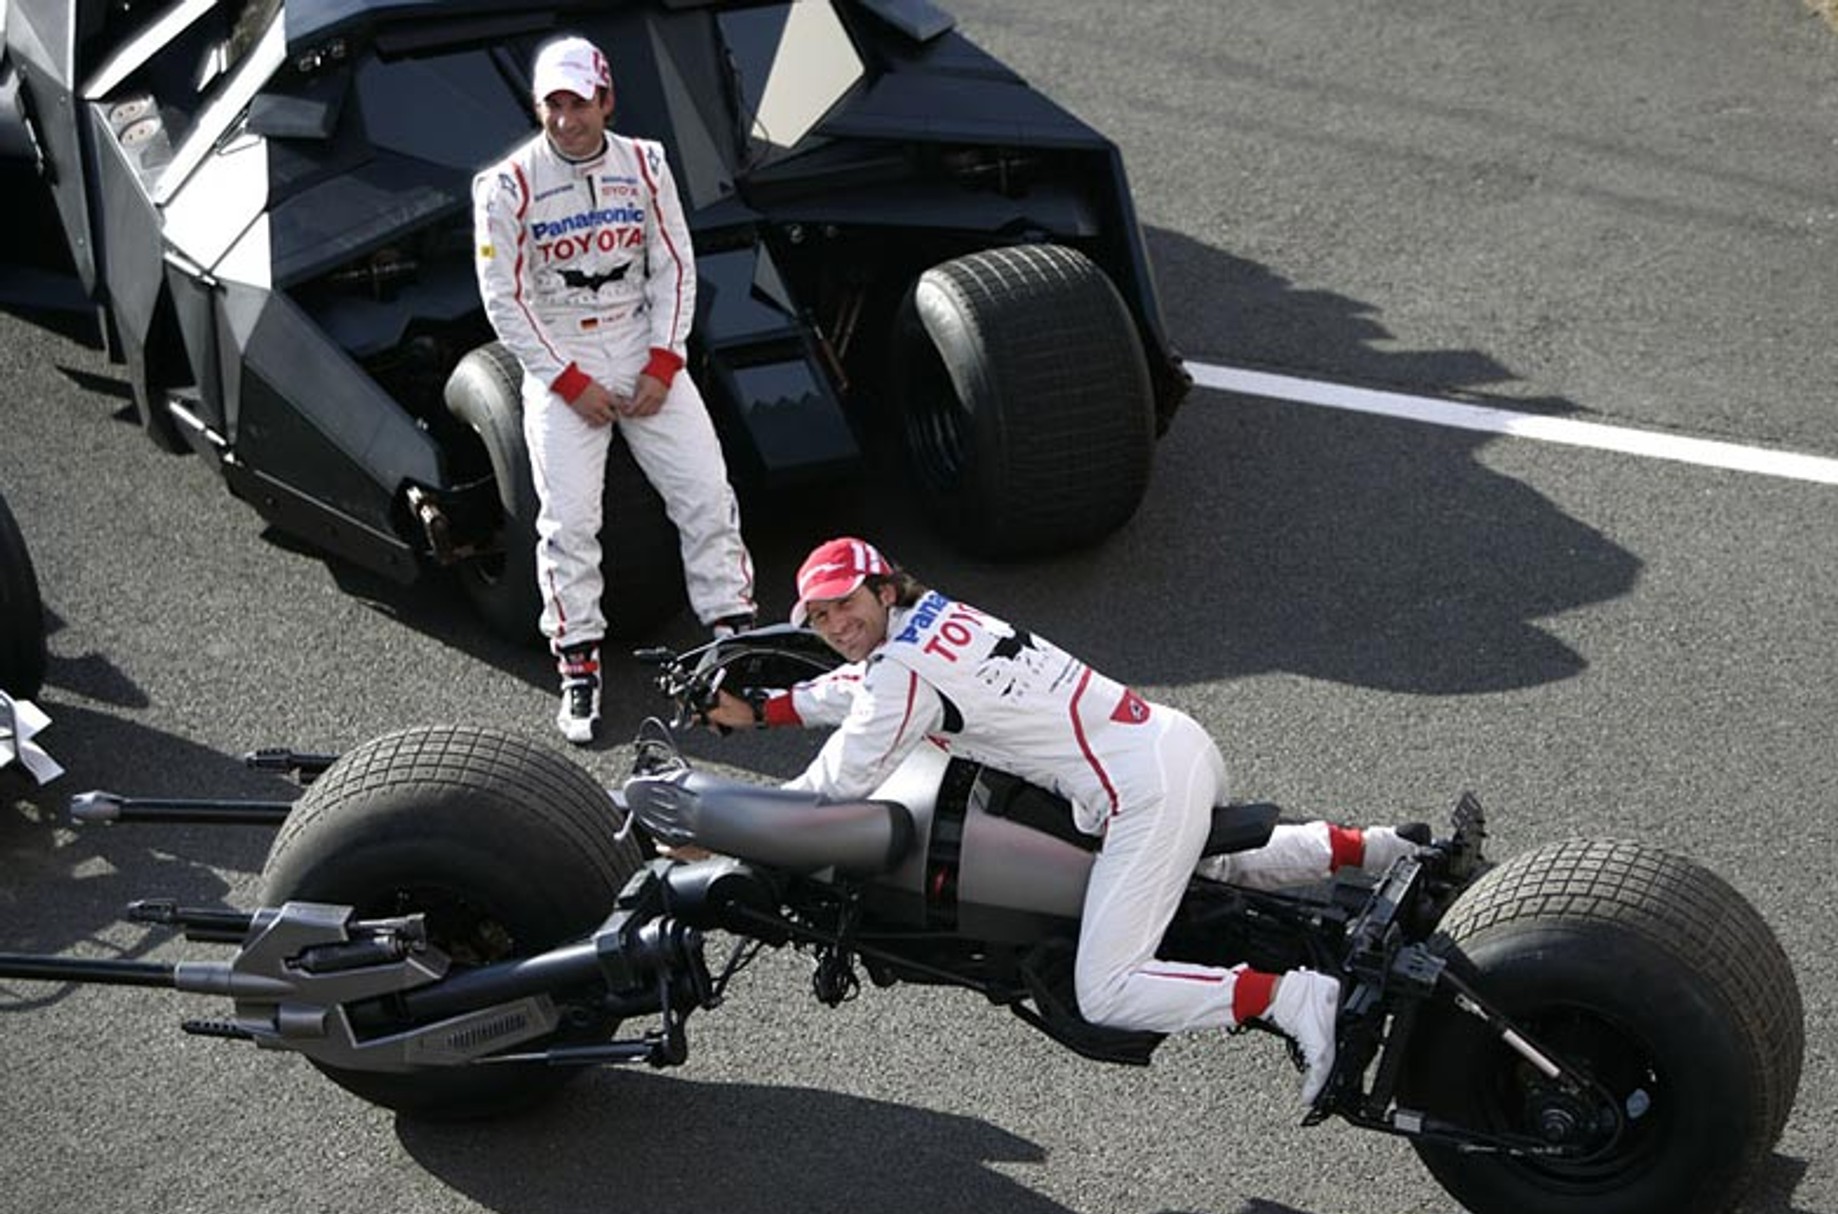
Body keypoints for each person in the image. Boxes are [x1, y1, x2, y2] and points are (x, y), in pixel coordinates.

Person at [704, 537, 1427, 1107]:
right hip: (1173, 741)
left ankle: (1290, 997)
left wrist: (720, 825)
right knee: (1211, 866)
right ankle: (1377, 849)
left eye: (843, 605)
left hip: (1143, 791)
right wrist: (763, 709)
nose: (835, 625)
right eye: (821, 617)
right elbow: (858, 689)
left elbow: (833, 785)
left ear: (884, 589)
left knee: (1106, 989)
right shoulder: (935, 620)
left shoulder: (903, 673)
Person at [473, 34, 756, 744]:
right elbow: (503, 300)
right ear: (539, 105)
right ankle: (577, 663)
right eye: (554, 104)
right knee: (568, 523)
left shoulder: (646, 162)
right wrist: (567, 381)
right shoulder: (506, 184)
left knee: (706, 493)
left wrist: (664, 360)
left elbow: (676, 267)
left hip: (639, 342)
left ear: (606, 99)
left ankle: (734, 637)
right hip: (561, 353)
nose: (567, 118)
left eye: (580, 102)